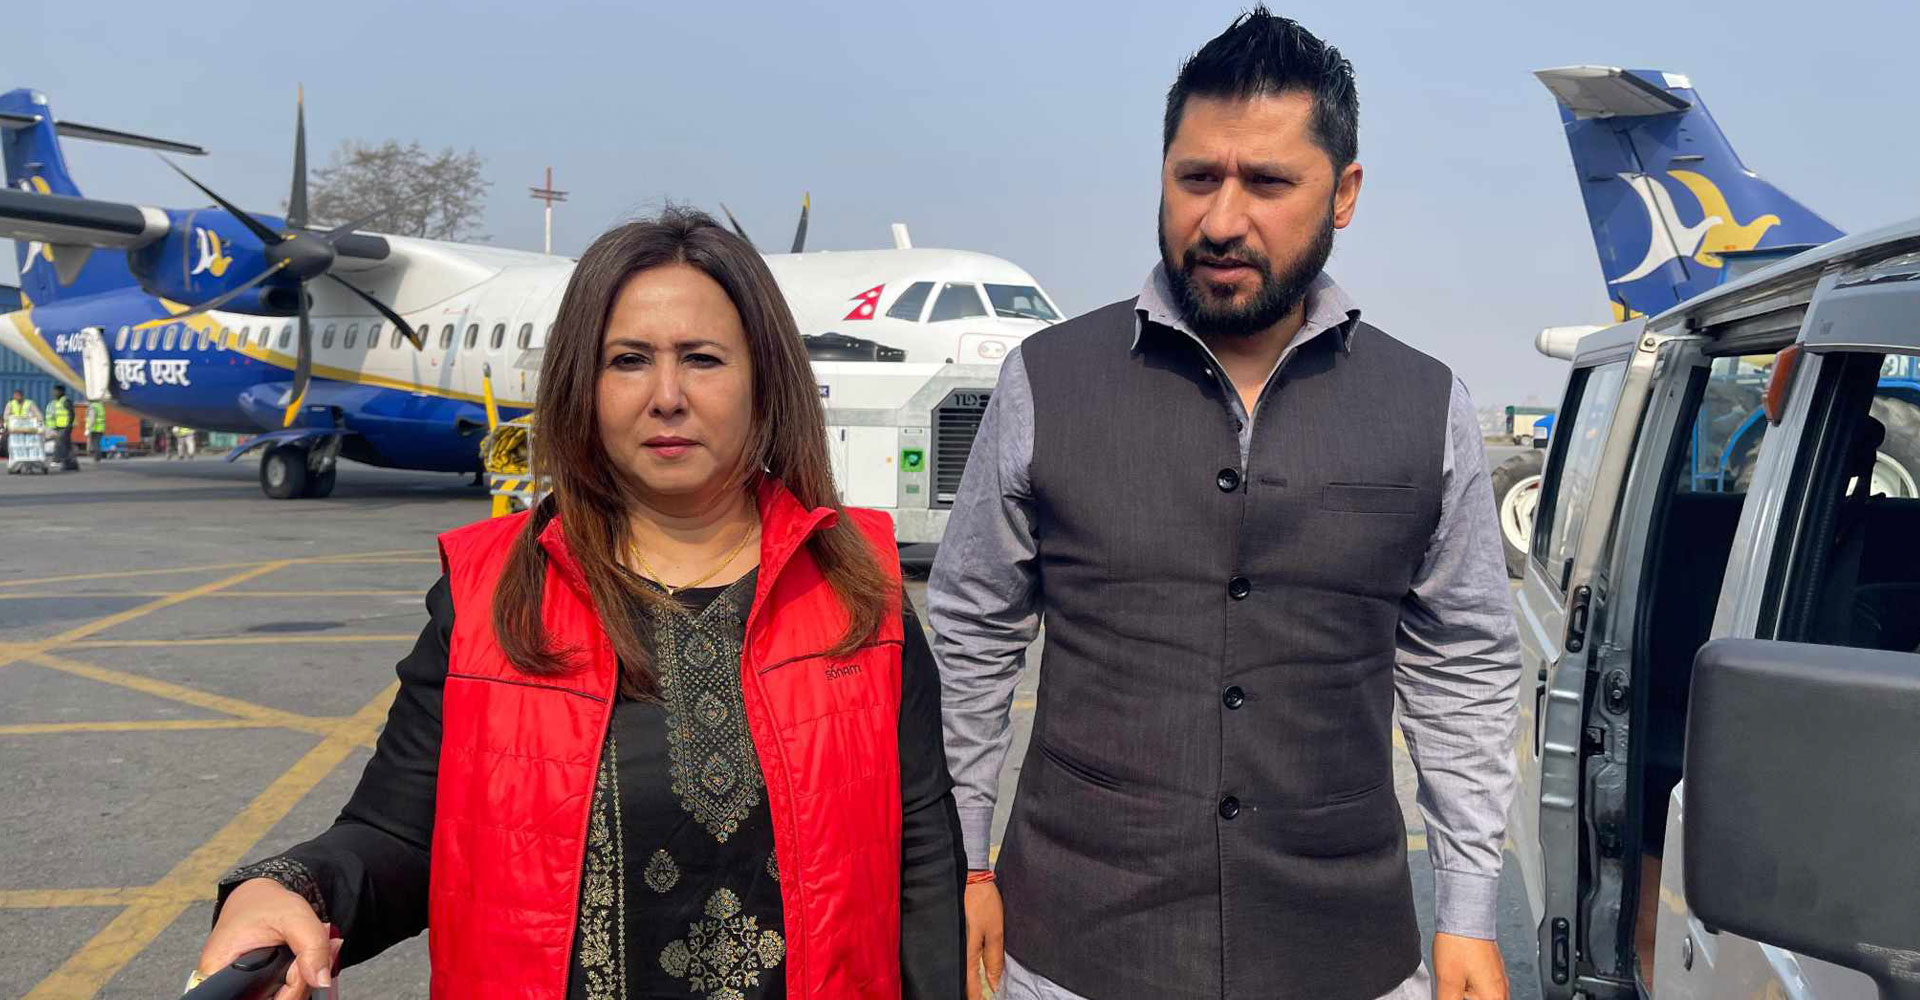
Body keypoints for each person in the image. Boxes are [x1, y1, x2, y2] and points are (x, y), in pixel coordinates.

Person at [192, 209, 967, 998]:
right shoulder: (490, 593)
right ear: (582, 386)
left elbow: (924, 854)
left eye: (703, 359)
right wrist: (286, 887)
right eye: (628, 361)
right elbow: (398, 836)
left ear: (765, 380)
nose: (667, 396)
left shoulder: (857, 585)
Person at [930, 10, 1521, 1000]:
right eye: (1196, 177)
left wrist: (1467, 913)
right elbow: (969, 636)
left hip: (1345, 956)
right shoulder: (1046, 382)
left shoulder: (1428, 406)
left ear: (1345, 193)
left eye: (1269, 184)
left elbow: (1463, 665)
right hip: (1073, 954)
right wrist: (966, 862)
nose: (1220, 221)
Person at [45, 384, 75, 470]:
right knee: (67, 446)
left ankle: (56, 460)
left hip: (65, 427)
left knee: (59, 443)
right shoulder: (56, 402)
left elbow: (71, 413)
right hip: (59, 427)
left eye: (56, 391)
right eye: (54, 391)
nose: (54, 393)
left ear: (61, 392)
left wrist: (69, 424)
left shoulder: (65, 401)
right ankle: (71, 464)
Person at [86, 397, 107, 462]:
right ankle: (98, 457)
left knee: (95, 444)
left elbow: (92, 419)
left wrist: (89, 428)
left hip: (94, 428)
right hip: (100, 428)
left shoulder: (93, 407)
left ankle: (97, 458)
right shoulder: (100, 406)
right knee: (97, 443)